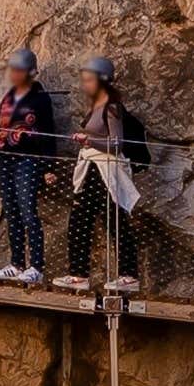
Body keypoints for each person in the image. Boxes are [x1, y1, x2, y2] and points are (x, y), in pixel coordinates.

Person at [66, 57, 148, 291]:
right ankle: (78, 274)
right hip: (93, 169)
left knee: (114, 221)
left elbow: (116, 143)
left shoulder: (111, 107)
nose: (86, 85)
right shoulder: (97, 105)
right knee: (82, 219)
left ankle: (128, 275)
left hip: (105, 170)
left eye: (90, 80)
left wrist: (88, 139)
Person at [0, 52, 60, 282]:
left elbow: (49, 133)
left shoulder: (40, 98)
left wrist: (49, 166)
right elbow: (0, 129)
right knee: (11, 211)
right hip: (6, 159)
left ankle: (36, 266)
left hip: (28, 159)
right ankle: (17, 263)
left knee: (28, 212)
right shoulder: (9, 96)